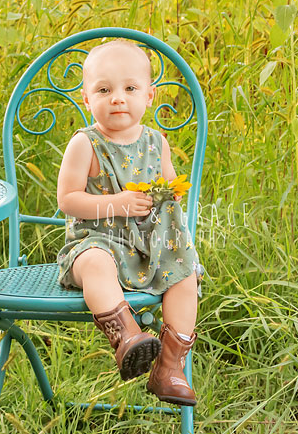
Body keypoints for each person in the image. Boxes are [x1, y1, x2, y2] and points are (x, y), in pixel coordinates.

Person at [56, 40, 204, 406]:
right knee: (95, 263)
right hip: (97, 241)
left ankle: (170, 368)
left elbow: (169, 185)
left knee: (186, 274)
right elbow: (67, 200)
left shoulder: (157, 142)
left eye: (130, 88)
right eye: (104, 90)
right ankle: (127, 338)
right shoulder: (86, 144)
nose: (118, 98)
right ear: (87, 100)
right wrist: (116, 203)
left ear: (149, 95)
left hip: (149, 247)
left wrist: (170, 193)